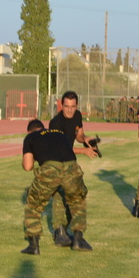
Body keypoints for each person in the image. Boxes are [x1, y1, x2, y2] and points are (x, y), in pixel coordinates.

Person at [19, 118, 98, 254]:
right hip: (71, 167)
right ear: (44, 128)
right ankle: (79, 239)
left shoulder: (30, 137)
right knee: (77, 201)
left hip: (50, 168)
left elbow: (28, 166)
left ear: (29, 131)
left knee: (34, 203)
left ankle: (34, 245)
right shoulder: (60, 134)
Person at [47, 91, 98, 247]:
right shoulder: (55, 123)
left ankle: (68, 235)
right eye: (66, 106)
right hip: (56, 162)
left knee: (70, 197)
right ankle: (72, 236)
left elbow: (79, 135)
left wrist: (86, 140)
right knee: (68, 197)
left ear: (77, 106)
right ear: (61, 105)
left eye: (73, 106)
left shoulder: (77, 116)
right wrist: (84, 151)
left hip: (69, 163)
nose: (69, 110)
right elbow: (61, 147)